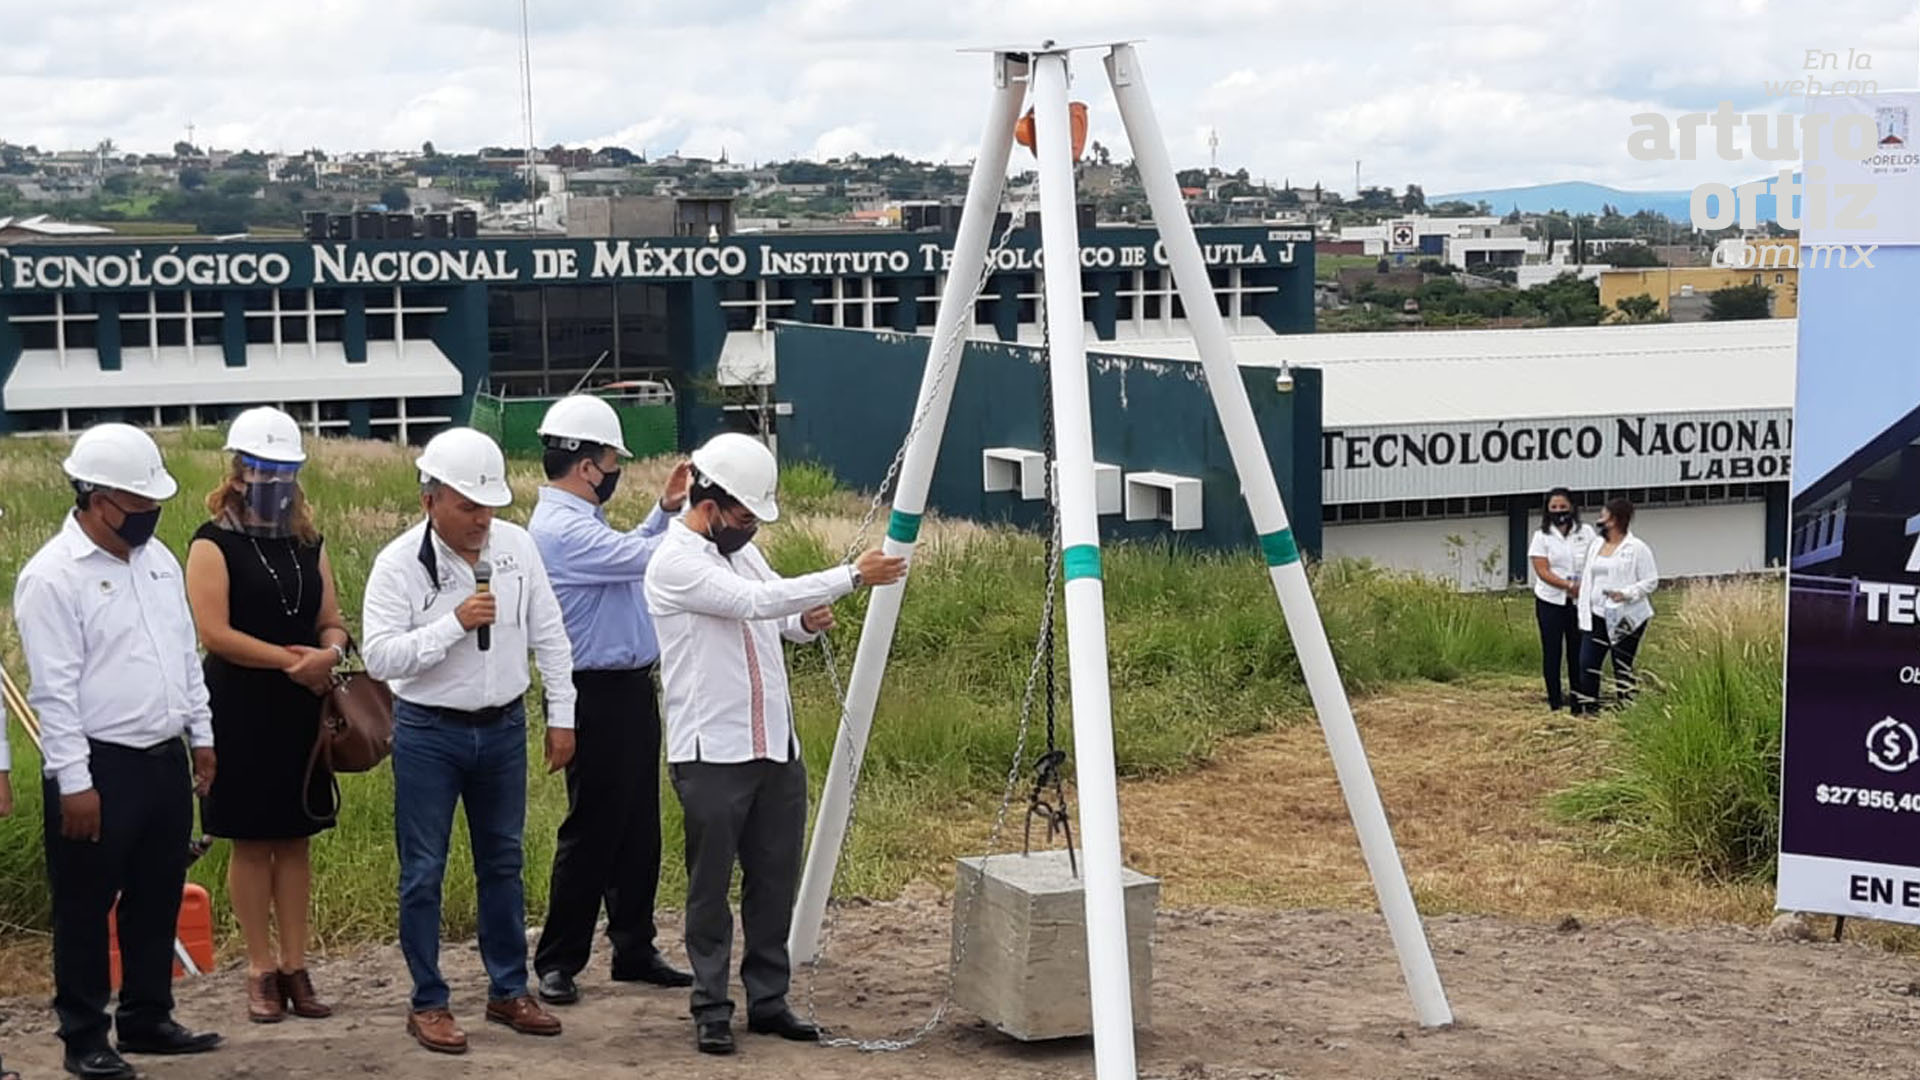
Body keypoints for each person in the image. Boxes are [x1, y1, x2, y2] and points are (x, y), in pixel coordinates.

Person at [645, 432, 907, 1056]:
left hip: (772, 743)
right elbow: (753, 603)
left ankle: (768, 999)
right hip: (712, 750)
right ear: (709, 505)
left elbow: (778, 615)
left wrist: (806, 621)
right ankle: (711, 1005)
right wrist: (848, 577)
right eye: (742, 518)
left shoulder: (741, 554)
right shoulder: (675, 561)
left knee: (772, 878)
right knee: (711, 888)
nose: (750, 530)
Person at [14, 424, 222, 1080]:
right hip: (97, 766)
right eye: (136, 507)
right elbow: (56, 690)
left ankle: (146, 1015)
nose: (148, 517)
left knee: (157, 895)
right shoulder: (52, 577)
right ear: (96, 499)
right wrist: (73, 781)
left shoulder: (158, 560)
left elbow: (185, 657)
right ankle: (83, 1035)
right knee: (84, 905)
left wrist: (203, 735)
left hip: (162, 756)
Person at [361, 426, 576, 1055]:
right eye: (468, 507)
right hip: (429, 731)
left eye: (490, 506)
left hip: (504, 726)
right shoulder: (398, 564)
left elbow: (550, 634)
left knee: (503, 864)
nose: (482, 520)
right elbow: (379, 657)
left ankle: (509, 989)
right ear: (430, 500)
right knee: (424, 871)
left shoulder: (517, 548)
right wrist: (451, 625)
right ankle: (428, 1001)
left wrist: (562, 714)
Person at [528, 395, 694, 1006]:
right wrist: (689, 519)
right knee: (593, 829)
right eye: (610, 460)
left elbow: (629, 555)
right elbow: (647, 559)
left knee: (636, 826)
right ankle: (559, 959)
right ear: (587, 466)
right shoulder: (560, 531)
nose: (615, 470)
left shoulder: (579, 524)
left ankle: (633, 944)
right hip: (592, 693)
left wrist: (664, 510)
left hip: (626, 690)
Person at [184, 407, 349, 1024]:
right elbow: (214, 631)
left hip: (300, 708)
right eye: (264, 470)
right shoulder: (212, 542)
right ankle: (259, 968)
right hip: (240, 705)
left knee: (296, 837)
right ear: (239, 471)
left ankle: (295, 965)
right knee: (252, 841)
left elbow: (332, 617)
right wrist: (290, 661)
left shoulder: (309, 542)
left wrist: (328, 652)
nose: (275, 482)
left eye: (285, 471)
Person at [1575, 497, 1660, 713]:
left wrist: (1626, 593)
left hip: (1626, 615)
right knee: (1587, 663)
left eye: (1603, 516)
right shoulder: (1596, 545)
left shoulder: (1637, 548)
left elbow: (1651, 581)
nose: (1599, 520)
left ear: (1615, 520)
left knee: (1621, 663)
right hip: (1596, 613)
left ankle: (1626, 708)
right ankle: (1589, 709)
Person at [1526, 487, 1596, 714]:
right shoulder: (1541, 536)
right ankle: (1555, 702)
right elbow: (1542, 570)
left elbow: (1595, 560)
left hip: (1579, 602)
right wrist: (1567, 586)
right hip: (1551, 601)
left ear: (1572, 507)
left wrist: (1584, 587)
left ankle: (1578, 702)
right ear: (1547, 510)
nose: (1559, 511)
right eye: (1554, 507)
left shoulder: (1585, 532)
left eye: (1563, 507)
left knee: (1578, 651)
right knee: (1552, 651)